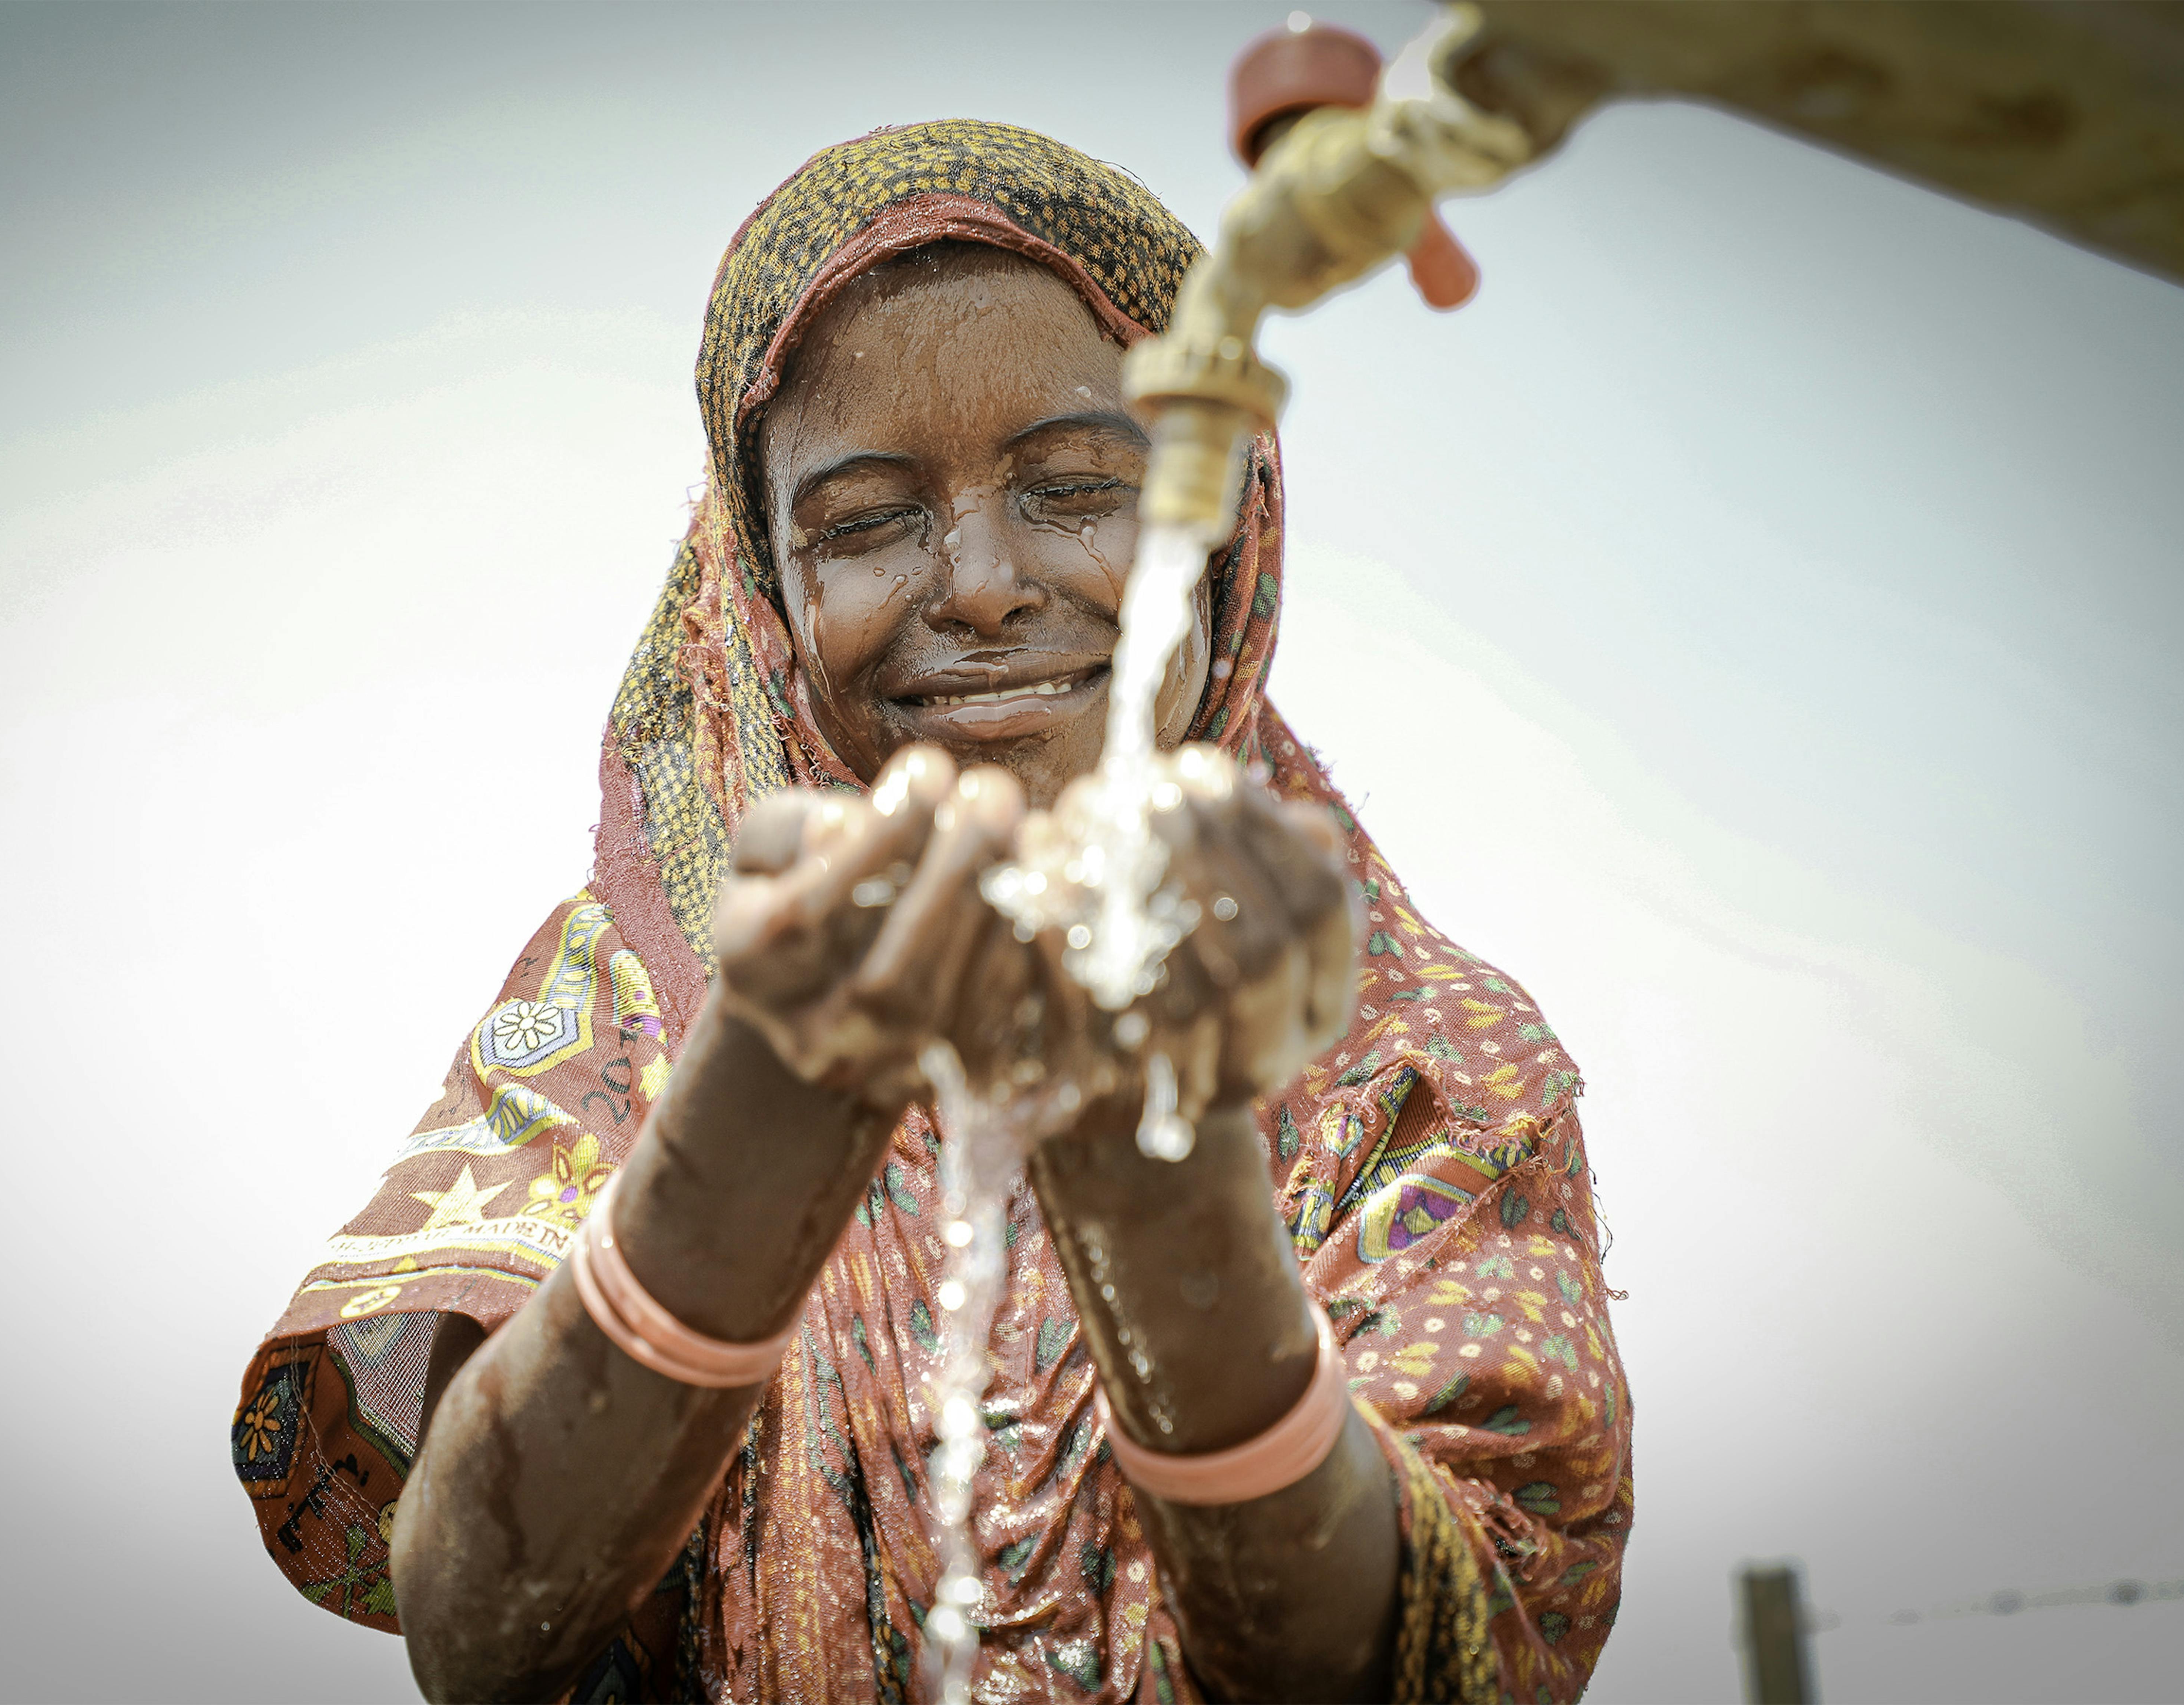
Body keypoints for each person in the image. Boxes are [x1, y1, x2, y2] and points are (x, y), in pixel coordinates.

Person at [230, 118, 1628, 1705]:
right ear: (759, 589)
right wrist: (774, 1093)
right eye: (864, 519)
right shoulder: (645, 1001)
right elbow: (479, 1621)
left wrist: (1148, 1152)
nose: (973, 582)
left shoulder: (1419, 1057)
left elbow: (1437, 1665)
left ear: (1228, 529)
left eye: (1081, 485)